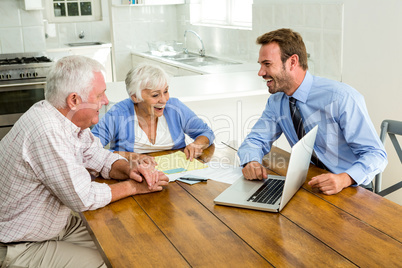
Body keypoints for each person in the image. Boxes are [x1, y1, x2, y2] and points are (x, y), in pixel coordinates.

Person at [0, 55, 169, 268]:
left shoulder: (65, 120)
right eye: (100, 94)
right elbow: (83, 196)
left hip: (55, 226)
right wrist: (135, 186)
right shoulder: (47, 131)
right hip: (21, 245)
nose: (106, 100)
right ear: (74, 100)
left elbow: (97, 155)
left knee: (125, 242)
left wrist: (129, 168)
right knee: (112, 261)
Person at [238, 28, 387, 195]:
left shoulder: (342, 98)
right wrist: (251, 161)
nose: (261, 72)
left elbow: (376, 154)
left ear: (292, 62)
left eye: (267, 64)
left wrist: (343, 179)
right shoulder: (276, 102)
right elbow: (256, 140)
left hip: (351, 188)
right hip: (311, 183)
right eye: (260, 65)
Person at [92, 63, 215, 161]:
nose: (164, 100)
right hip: (134, 175)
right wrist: (131, 156)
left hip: (178, 174)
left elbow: (205, 132)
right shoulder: (118, 113)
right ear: (135, 97)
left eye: (166, 91)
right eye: (155, 95)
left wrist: (197, 145)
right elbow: (90, 149)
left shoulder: (175, 107)